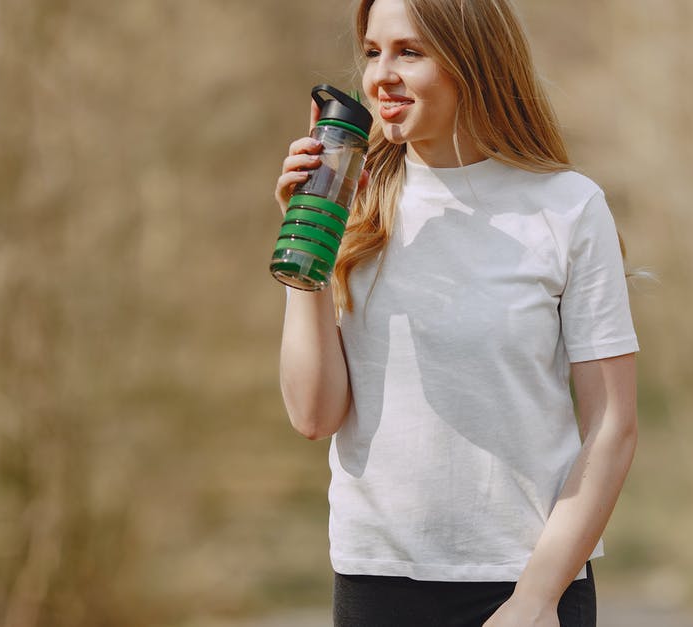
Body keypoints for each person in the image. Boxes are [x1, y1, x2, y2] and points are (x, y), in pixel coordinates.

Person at [272, 0, 639, 625]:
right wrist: (304, 241)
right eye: (372, 52)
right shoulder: (354, 206)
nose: (380, 75)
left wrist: (537, 598)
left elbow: (612, 424)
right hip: (377, 580)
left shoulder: (567, 209)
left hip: (528, 583)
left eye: (409, 52)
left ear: (474, 62)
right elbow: (314, 415)